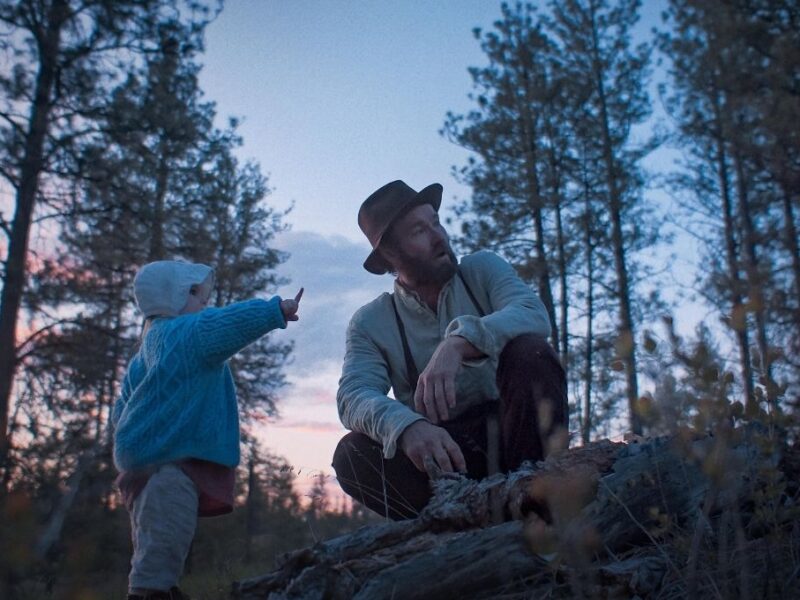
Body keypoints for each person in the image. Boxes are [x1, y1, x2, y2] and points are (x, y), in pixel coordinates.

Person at [332, 180, 567, 520]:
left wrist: (458, 343)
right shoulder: (371, 322)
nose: (439, 237)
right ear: (389, 256)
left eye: (436, 223)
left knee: (531, 352)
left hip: (517, 435)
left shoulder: (482, 269)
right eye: (419, 231)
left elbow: (533, 314)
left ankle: (538, 509)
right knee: (352, 454)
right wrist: (405, 425)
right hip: (442, 459)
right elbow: (353, 395)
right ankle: (451, 526)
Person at [112, 260, 302, 600]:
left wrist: (138, 435)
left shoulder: (146, 349)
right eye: (196, 294)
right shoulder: (188, 334)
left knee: (155, 543)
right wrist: (275, 311)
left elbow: (121, 410)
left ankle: (158, 589)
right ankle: (151, 594)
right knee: (163, 546)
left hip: (143, 468)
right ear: (172, 298)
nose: (204, 303)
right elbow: (229, 323)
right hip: (169, 466)